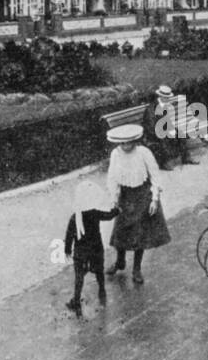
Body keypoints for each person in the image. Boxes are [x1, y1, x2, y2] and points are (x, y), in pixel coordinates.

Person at [105, 124, 171, 284]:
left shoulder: (143, 152)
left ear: (135, 141)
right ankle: (120, 262)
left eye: (129, 142)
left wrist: (155, 198)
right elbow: (112, 176)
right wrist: (114, 197)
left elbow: (155, 174)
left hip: (142, 195)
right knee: (121, 230)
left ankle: (136, 269)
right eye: (122, 143)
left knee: (139, 234)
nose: (125, 146)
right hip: (125, 196)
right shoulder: (115, 154)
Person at [63, 180, 119, 313]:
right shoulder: (95, 213)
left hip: (81, 251)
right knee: (99, 270)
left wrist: (67, 250)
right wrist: (117, 209)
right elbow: (109, 216)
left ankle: (76, 300)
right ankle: (101, 289)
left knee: (79, 277)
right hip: (96, 248)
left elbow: (69, 234)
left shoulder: (74, 217)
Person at [143, 84, 196, 169]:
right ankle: (164, 163)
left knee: (179, 132)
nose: (168, 99)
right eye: (166, 98)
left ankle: (186, 158)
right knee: (165, 137)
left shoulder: (164, 105)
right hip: (152, 133)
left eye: (168, 97)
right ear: (160, 96)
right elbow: (151, 126)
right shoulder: (152, 108)